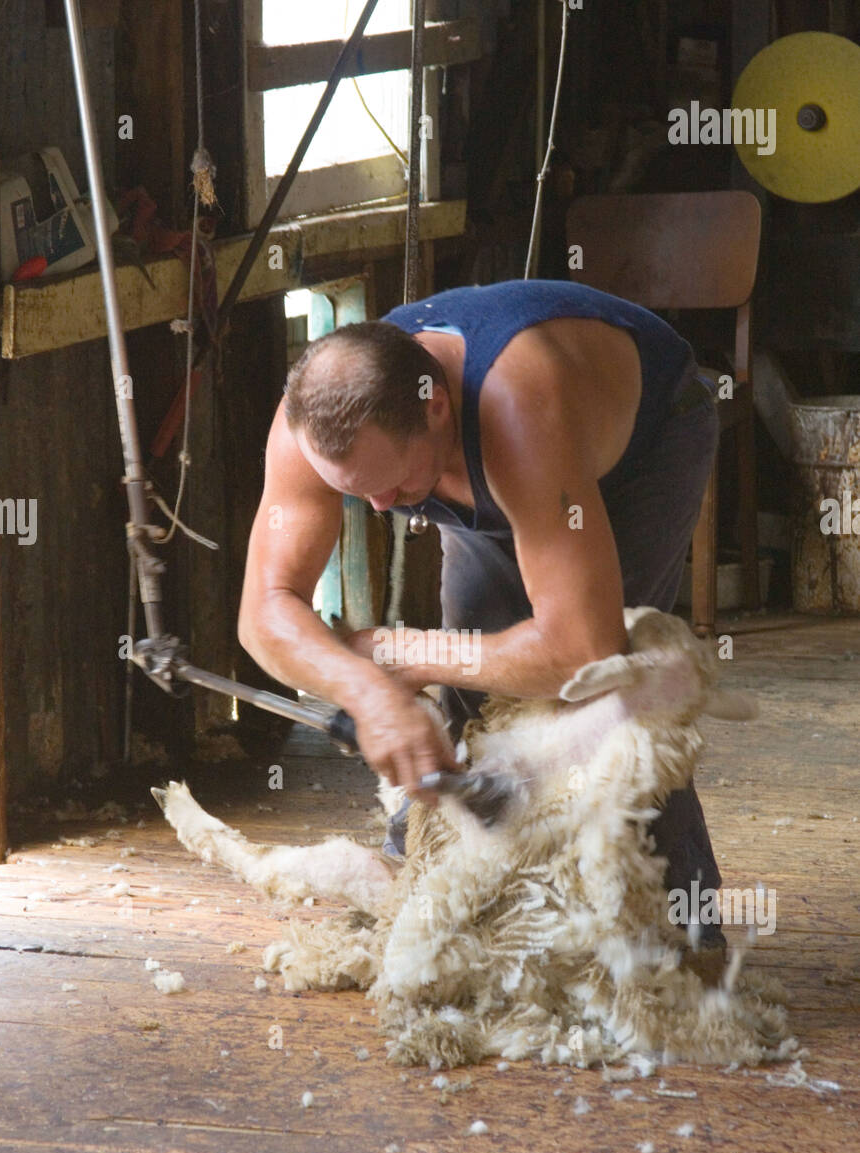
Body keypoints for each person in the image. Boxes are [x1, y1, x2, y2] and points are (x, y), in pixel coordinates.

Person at [238, 279, 723, 950]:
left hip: (645, 442)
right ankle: (439, 898)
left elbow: (586, 651)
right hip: (488, 477)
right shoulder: (311, 425)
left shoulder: (520, 403)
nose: (380, 509)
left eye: (390, 484)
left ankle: (684, 930)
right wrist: (370, 692)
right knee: (475, 689)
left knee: (614, 704)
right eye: (356, 492)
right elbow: (264, 610)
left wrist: (403, 655)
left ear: (435, 408)